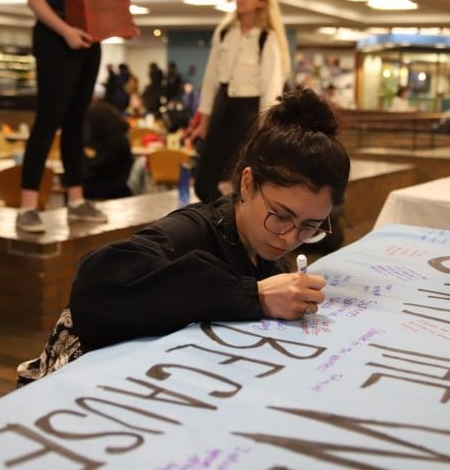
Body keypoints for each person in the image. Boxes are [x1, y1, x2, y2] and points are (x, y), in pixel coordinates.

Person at [17, 89, 350, 383]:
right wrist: (254, 296)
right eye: (280, 215)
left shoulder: (263, 248)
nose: (291, 238)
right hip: (75, 386)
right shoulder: (191, 231)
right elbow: (94, 282)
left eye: (310, 226)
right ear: (247, 185)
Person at [17, 0, 135, 233]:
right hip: (57, 42)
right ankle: (27, 206)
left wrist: (118, 24)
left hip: (88, 45)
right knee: (48, 119)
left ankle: (76, 199)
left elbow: (92, 3)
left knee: (75, 121)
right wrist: (67, 31)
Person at [190, 0, 290, 204]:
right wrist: (204, 118)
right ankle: (223, 222)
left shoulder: (267, 39)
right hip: (221, 106)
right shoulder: (225, 33)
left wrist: (264, 129)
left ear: (262, 2)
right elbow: (211, 77)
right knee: (204, 182)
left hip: (248, 113)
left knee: (241, 181)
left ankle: (236, 229)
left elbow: (271, 88)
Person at [82, 101, 134, 199]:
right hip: (114, 184)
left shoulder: (115, 141)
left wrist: (83, 157)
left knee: (76, 186)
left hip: (112, 187)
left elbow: (98, 164)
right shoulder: (117, 137)